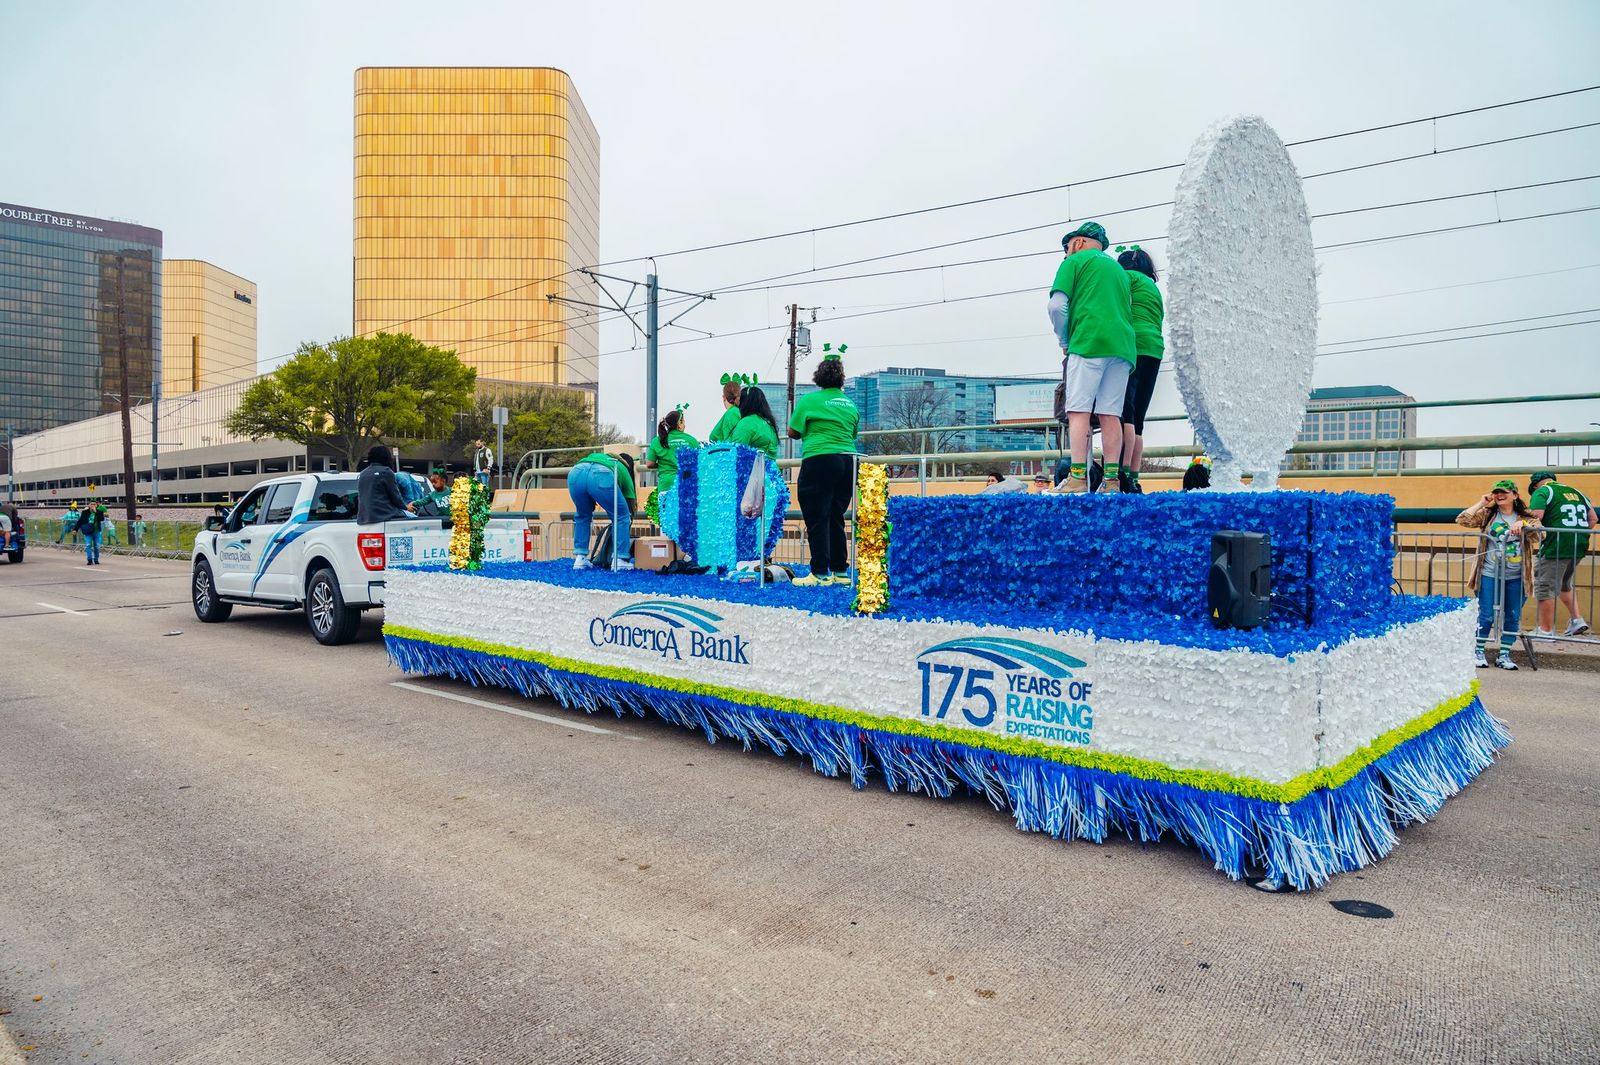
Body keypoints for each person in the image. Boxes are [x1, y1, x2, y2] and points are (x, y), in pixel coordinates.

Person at [1046, 221, 1136, 494]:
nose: (1067, 251)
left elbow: (1057, 306)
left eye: (1068, 245)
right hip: (1122, 347)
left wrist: (1064, 340)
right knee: (1111, 414)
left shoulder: (1074, 262)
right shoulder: (1119, 271)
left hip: (1088, 341)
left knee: (1078, 411)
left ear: (1080, 242)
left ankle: (1077, 479)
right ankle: (1111, 481)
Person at [787, 346, 860, 586]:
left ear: (819, 376)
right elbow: (852, 433)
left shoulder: (810, 400)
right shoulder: (850, 404)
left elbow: (793, 431)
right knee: (836, 515)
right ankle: (840, 571)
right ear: (841, 378)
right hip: (848, 461)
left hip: (820, 458)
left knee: (816, 515)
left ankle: (819, 572)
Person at [1457, 479, 1538, 670]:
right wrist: (1482, 502)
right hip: (1489, 572)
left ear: (1515, 495)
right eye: (1497, 492)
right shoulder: (1488, 515)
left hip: (1517, 575)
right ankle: (1478, 651)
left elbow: (1538, 534)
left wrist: (1523, 524)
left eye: (1505, 492)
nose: (1500, 495)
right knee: (1486, 615)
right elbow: (1462, 519)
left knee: (1512, 615)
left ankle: (1504, 655)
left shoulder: (1526, 516)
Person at [1116, 246, 1165, 494]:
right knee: (1139, 419)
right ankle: (1135, 477)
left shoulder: (1127, 277)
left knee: (1125, 412)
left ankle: (1122, 474)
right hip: (1154, 349)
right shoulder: (1153, 288)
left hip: (1132, 345)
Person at [1526, 469, 1594, 638]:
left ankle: (1546, 630)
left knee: (1544, 585)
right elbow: (1592, 518)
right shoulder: (1576, 492)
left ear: (1535, 485)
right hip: (1578, 545)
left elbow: (1536, 516)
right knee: (1565, 583)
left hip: (1555, 546)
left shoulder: (1542, 491)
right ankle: (1577, 620)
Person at [569, 450, 637, 571]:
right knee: (621, 517)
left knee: (582, 516)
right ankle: (619, 559)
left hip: (576, 472)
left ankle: (580, 558)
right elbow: (630, 504)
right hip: (601, 474)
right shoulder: (621, 467)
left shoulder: (600, 457)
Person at [645, 408, 699, 497]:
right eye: (684, 422)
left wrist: (661, 464)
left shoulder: (657, 441)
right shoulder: (691, 440)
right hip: (686, 484)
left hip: (666, 485)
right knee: (685, 511)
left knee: (665, 510)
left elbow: (649, 464)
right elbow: (698, 462)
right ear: (679, 424)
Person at [357, 443, 410, 525]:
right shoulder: (386, 472)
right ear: (386, 457)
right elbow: (396, 497)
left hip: (364, 518)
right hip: (385, 515)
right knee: (415, 520)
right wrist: (406, 507)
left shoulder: (363, 473)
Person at [730, 385, 780, 460]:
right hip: (771, 469)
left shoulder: (746, 423)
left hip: (754, 470)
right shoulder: (769, 424)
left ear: (744, 403)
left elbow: (736, 452)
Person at [710, 375, 744, 443]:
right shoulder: (737, 411)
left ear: (724, 397)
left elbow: (730, 443)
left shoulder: (732, 413)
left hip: (726, 452)